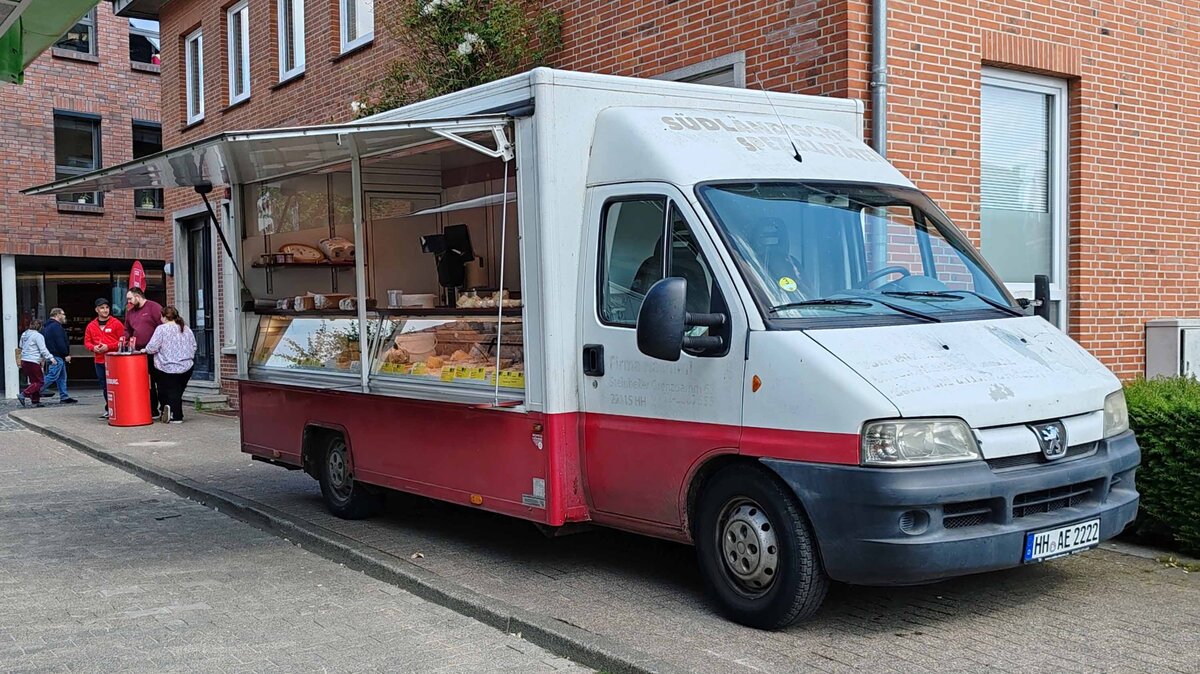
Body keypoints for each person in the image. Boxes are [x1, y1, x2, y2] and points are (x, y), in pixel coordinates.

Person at [144, 306, 197, 424]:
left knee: (170, 391)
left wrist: (144, 350)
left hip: (167, 366)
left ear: (163, 317)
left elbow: (152, 348)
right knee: (177, 391)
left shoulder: (161, 329)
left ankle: (175, 415)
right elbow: (194, 346)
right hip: (186, 366)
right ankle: (169, 410)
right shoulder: (186, 329)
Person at [125, 287, 164, 418]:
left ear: (138, 296)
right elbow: (127, 330)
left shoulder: (153, 307)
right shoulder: (130, 312)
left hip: (155, 352)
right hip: (139, 353)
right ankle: (152, 409)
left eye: (130, 298)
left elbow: (162, 326)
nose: (129, 302)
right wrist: (125, 341)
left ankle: (163, 407)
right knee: (146, 383)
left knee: (159, 380)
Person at [84, 298, 125, 419]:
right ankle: (109, 408)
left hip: (114, 360)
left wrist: (109, 347)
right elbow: (87, 342)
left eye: (107, 308)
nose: (105, 310)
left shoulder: (116, 323)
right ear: (96, 310)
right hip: (99, 360)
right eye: (102, 308)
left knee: (116, 384)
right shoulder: (91, 326)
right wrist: (94, 348)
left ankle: (119, 407)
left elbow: (123, 341)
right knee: (104, 386)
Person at [40, 308, 78, 404]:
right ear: (57, 315)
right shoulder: (56, 327)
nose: (64, 316)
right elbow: (60, 342)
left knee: (61, 377)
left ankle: (64, 396)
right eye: (63, 314)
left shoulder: (46, 327)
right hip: (57, 356)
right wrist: (66, 354)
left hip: (51, 355)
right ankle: (32, 391)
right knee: (52, 376)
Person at [16, 319, 56, 408]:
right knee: (40, 381)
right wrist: (51, 358)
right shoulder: (38, 336)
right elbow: (43, 349)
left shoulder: (24, 334)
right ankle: (23, 394)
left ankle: (35, 400)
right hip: (33, 360)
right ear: (40, 327)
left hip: (24, 360)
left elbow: (21, 346)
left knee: (34, 381)